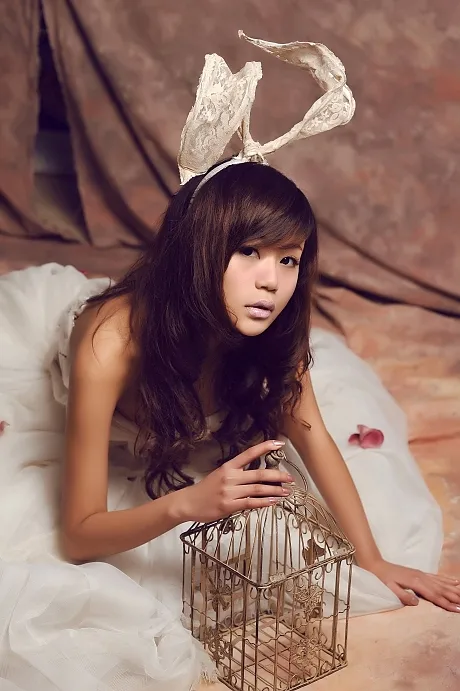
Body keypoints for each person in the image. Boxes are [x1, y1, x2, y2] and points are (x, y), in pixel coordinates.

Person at [0, 31, 458, 691]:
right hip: (113, 377)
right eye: (249, 253)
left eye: (289, 259)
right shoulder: (110, 341)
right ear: (201, 251)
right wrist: (189, 502)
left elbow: (315, 438)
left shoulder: (273, 331)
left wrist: (375, 560)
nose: (272, 281)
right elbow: (77, 533)